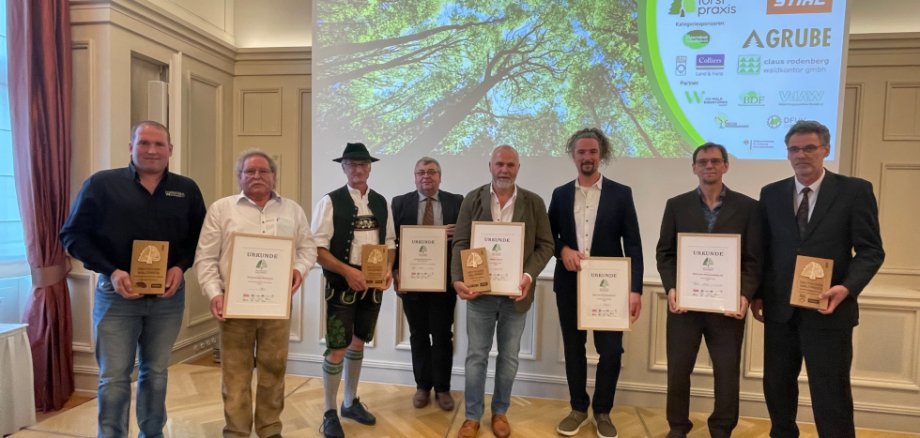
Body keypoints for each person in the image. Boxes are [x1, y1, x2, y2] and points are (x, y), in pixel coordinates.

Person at [60, 120, 206, 437]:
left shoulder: (187, 189)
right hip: (116, 298)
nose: (151, 150)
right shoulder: (101, 185)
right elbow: (72, 235)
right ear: (131, 147)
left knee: (155, 374)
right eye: (144, 143)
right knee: (113, 378)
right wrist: (111, 271)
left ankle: (152, 434)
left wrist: (181, 266)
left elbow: (200, 240)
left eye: (158, 144)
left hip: (168, 300)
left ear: (170, 150)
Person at [752, 120, 884, 437]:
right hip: (780, 312)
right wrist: (757, 293)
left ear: (825, 150)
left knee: (831, 393)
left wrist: (848, 287)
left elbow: (870, 250)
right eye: (794, 149)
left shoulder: (854, 191)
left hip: (829, 311)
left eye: (809, 147)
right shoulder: (771, 194)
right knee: (778, 388)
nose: (801, 155)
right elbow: (763, 250)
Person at [193, 149, 317, 437]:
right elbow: (205, 257)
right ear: (239, 177)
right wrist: (214, 293)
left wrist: (299, 270)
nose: (257, 176)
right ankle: (236, 431)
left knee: (274, 372)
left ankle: (270, 428)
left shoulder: (292, 210)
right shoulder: (222, 209)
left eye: (263, 171)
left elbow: (308, 248)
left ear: (274, 176)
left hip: (276, 307)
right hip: (234, 307)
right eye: (250, 171)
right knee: (235, 376)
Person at [655, 142, 762, 438]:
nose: (709, 166)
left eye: (715, 161)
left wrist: (744, 294)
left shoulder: (748, 207)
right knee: (678, 371)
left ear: (726, 165)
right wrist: (673, 288)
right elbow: (665, 254)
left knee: (726, 374)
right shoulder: (676, 205)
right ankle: (678, 427)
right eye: (702, 162)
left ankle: (722, 429)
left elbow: (754, 259)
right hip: (684, 307)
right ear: (694, 168)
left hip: (728, 308)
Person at [451, 145, 554, 438]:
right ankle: (472, 416)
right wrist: (458, 278)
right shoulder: (473, 199)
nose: (504, 170)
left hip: (515, 296)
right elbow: (460, 242)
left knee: (509, 357)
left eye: (510, 165)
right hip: (479, 294)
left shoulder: (533, 202)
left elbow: (546, 245)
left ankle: (500, 413)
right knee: (476, 357)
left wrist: (526, 275)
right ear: (490, 166)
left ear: (518, 168)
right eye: (500, 164)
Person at [547, 128, 644, 438]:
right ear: (573, 155)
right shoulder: (560, 194)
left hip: (610, 288)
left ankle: (603, 411)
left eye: (592, 152)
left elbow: (634, 244)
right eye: (581, 152)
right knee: (574, 349)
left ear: (602, 154)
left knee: (612, 351)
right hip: (569, 286)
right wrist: (563, 251)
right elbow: (548, 238)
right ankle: (578, 408)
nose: (587, 157)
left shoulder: (621, 193)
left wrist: (635, 289)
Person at [312, 142, 396, 438]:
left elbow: (389, 243)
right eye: (352, 164)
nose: (358, 169)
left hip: (372, 286)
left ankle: (350, 402)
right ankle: (329, 411)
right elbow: (317, 249)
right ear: (344, 168)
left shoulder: (382, 201)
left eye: (363, 164)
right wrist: (348, 272)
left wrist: (387, 268)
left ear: (369, 168)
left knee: (358, 342)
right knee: (337, 347)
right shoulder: (330, 201)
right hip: (342, 285)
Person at [391, 157, 464, 411]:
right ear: (414, 177)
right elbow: (393, 243)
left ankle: (443, 388)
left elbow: (465, 241)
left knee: (443, 335)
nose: (426, 176)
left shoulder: (457, 201)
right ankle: (423, 386)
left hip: (444, 284)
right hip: (411, 283)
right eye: (421, 172)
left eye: (432, 172)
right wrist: (395, 272)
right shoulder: (400, 203)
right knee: (418, 335)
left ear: (440, 176)